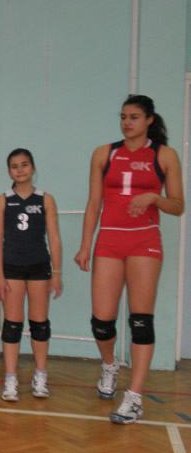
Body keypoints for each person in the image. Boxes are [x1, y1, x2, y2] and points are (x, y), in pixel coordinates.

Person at [75, 95, 184, 424]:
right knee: (101, 320)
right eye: (123, 116)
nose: (127, 122)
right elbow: (94, 204)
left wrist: (153, 197)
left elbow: (178, 205)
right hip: (109, 240)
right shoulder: (104, 153)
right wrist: (85, 246)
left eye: (134, 117)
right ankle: (110, 365)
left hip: (144, 241)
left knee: (141, 321)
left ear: (149, 119)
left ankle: (134, 397)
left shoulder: (164, 155)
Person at [0, 148, 62, 401]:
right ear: (9, 171)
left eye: (24, 165)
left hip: (39, 267)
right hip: (12, 268)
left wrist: (57, 272)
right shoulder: (2, 201)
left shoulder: (45, 199)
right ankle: (10, 377)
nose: (20, 170)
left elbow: (54, 238)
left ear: (32, 168)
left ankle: (40, 374)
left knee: (39, 323)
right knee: (12, 324)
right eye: (15, 166)